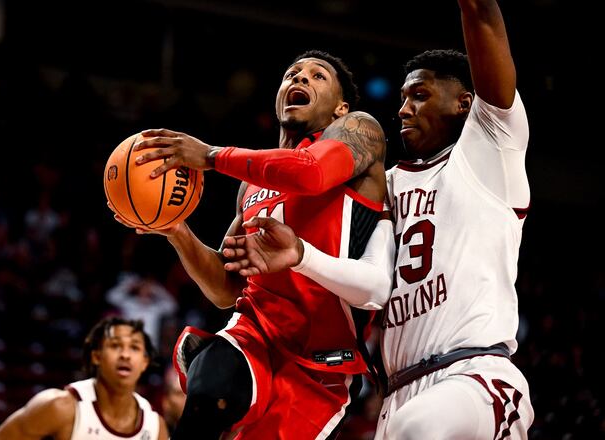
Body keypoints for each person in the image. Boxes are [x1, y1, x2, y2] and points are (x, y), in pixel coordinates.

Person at [221, 1, 534, 438]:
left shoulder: (489, 152)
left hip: (474, 376)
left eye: (420, 96)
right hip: (398, 391)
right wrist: (298, 254)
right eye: (403, 98)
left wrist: (213, 156)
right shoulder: (385, 185)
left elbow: (482, 15)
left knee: (419, 426)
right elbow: (372, 286)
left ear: (465, 104)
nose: (403, 109)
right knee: (409, 423)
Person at [116, 49, 388, 438]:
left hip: (320, 366)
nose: (300, 79)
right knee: (209, 391)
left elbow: (310, 175)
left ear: (340, 108)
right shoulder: (253, 183)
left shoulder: (361, 130)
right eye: (292, 74)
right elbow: (226, 289)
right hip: (255, 333)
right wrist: (177, 230)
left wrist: (210, 156)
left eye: (317, 76)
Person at [0, 316, 168, 439]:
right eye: (115, 345)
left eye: (134, 348)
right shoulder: (60, 406)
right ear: (96, 356)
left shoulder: (154, 427)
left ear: (145, 362)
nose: (125, 355)